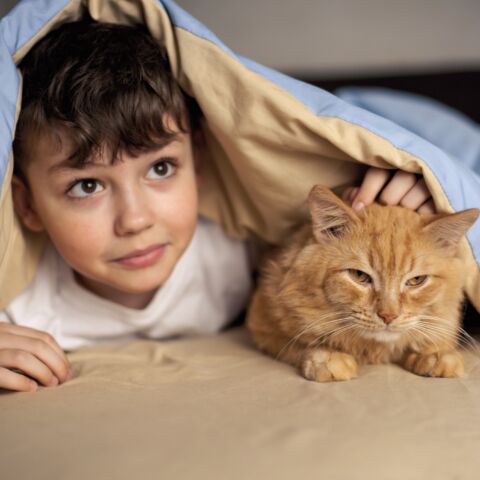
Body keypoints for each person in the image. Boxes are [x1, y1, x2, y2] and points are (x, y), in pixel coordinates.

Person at [0, 18, 434, 394]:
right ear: (27, 204)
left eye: (161, 168)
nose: (135, 220)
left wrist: (414, 200)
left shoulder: (237, 246)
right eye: (87, 185)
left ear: (200, 161)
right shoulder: (20, 307)